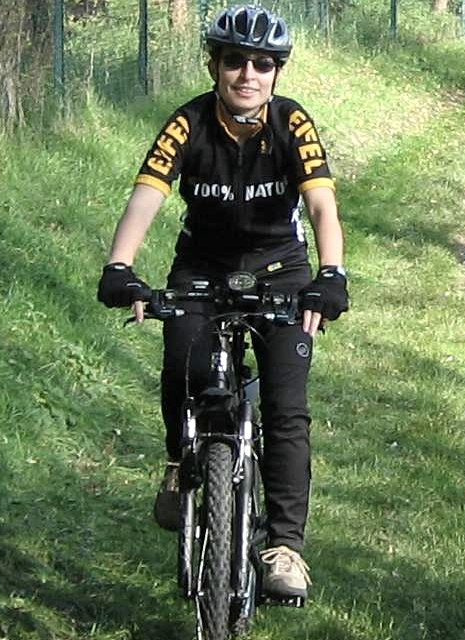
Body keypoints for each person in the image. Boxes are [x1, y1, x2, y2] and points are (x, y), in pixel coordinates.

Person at [96, 4, 347, 602]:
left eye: (263, 63)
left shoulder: (292, 124)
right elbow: (147, 197)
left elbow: (321, 206)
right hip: (202, 269)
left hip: (281, 270)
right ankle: (182, 463)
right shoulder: (186, 124)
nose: (248, 74)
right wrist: (120, 266)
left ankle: (284, 546)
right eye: (235, 61)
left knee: (286, 406)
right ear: (214, 65)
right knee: (182, 361)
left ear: (277, 72)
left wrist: (331, 273)